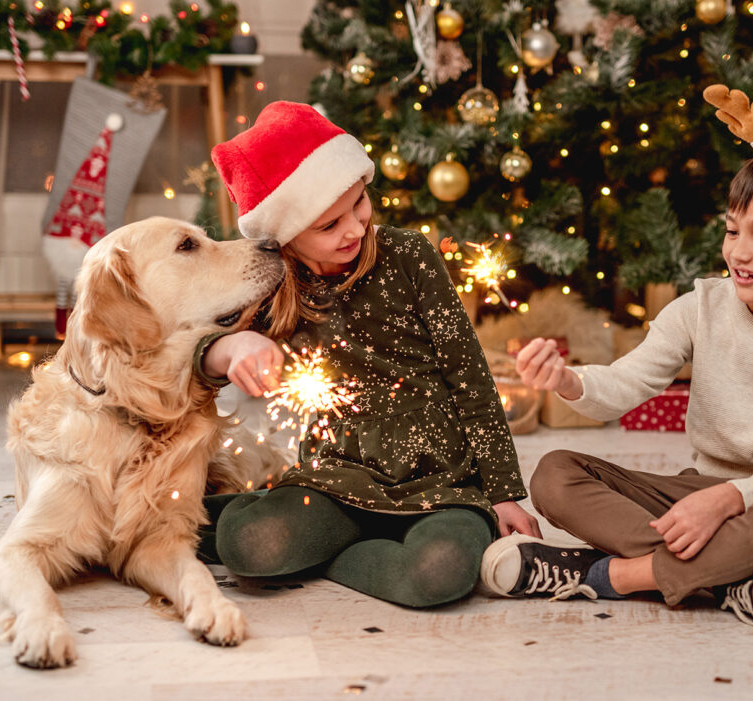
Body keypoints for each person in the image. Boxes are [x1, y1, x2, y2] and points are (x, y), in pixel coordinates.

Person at [480, 97, 753, 632]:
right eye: (733, 231)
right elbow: (625, 383)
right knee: (554, 473)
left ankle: (608, 576)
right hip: (693, 493)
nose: (739, 251)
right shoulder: (700, 306)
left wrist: (730, 499)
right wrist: (568, 380)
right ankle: (736, 579)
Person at [195, 101, 540, 609]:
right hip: (337, 481)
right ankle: (306, 530)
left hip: (440, 485)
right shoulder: (276, 288)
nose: (355, 229)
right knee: (249, 545)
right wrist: (228, 348)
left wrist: (504, 490)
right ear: (287, 236)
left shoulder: (409, 256)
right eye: (330, 225)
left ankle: (328, 555)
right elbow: (193, 351)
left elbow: (471, 378)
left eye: (360, 204)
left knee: (439, 573)